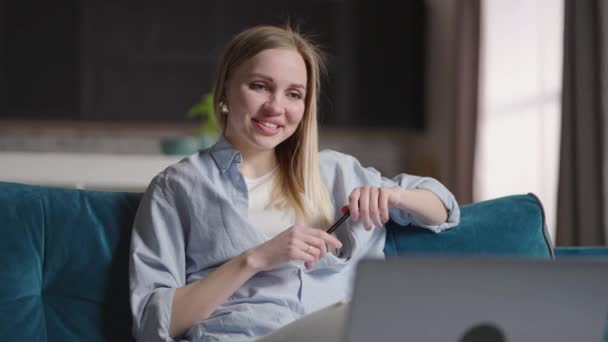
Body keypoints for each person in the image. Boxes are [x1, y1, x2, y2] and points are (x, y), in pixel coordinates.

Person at [129, 25, 460, 342]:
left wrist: (395, 196)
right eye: (259, 86)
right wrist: (255, 259)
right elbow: (152, 323)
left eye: (293, 94)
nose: (276, 107)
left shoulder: (336, 172)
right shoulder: (177, 188)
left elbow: (444, 210)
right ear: (226, 88)